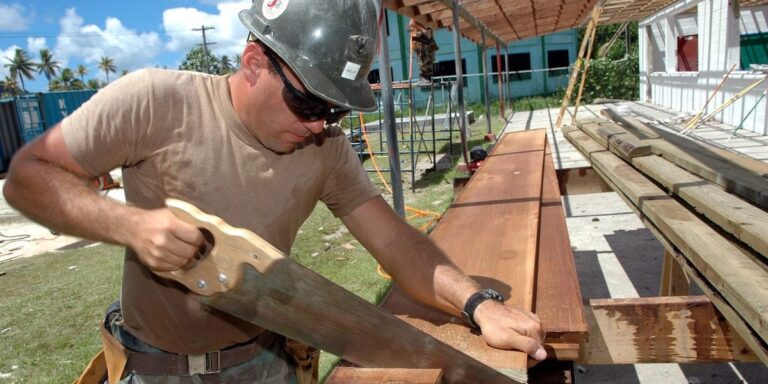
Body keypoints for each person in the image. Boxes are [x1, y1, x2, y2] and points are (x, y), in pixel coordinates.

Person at [2, 1, 545, 383]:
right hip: (155, 368)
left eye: (333, 111)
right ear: (255, 63)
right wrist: (132, 227)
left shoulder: (324, 149)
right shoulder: (154, 101)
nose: (320, 126)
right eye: (311, 105)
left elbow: (396, 243)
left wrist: (478, 305)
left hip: (267, 361)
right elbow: (30, 176)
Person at [408, 18, 439, 85]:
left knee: (430, 58)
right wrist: (422, 30)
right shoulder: (416, 15)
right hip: (420, 38)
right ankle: (423, 77)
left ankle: (429, 77)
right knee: (423, 58)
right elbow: (411, 24)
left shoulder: (428, 15)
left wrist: (429, 31)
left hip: (428, 38)